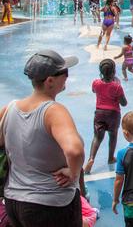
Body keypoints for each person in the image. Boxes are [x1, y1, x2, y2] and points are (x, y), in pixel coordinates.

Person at [2, 50, 84, 226]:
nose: (67, 78)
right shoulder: (54, 111)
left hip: (14, 202)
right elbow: (74, 150)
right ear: (50, 81)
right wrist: (73, 173)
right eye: (64, 74)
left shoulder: (9, 109)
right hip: (50, 204)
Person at [84, 59, 127, 174]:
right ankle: (110, 158)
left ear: (101, 72)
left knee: (97, 137)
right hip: (113, 114)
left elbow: (94, 91)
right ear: (114, 72)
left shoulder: (96, 83)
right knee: (112, 136)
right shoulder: (117, 86)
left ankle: (91, 158)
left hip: (99, 113)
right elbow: (124, 103)